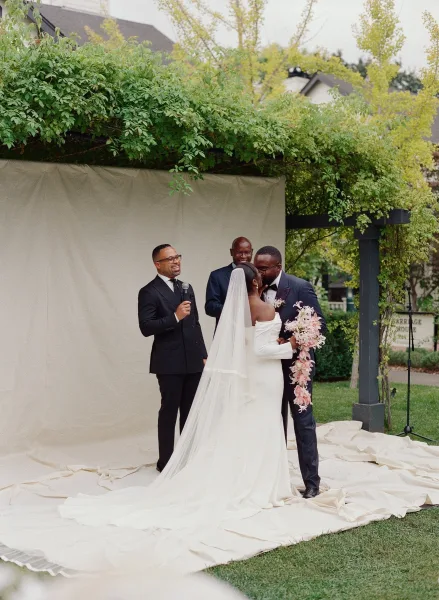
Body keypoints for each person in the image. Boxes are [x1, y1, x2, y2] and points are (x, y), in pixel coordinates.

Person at [55, 265, 297, 566]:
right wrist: (291, 346)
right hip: (263, 375)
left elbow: (242, 345)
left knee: (249, 424)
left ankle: (245, 475)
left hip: (249, 375)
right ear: (257, 281)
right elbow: (262, 349)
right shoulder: (262, 307)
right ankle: (261, 483)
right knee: (263, 424)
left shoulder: (235, 310)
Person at [254, 246, 326, 499]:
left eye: (263, 268)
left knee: (303, 422)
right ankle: (276, 479)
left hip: (297, 367)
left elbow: (319, 325)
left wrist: (291, 340)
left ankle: (312, 482)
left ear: (277, 266)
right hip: (267, 368)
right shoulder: (254, 289)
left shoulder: (300, 287)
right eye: (257, 267)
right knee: (272, 422)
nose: (259, 272)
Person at [138, 244, 207, 472]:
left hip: (193, 361)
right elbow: (146, 327)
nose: (176, 261)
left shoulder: (186, 287)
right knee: (169, 411)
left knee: (190, 412)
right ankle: (165, 463)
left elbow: (195, 323)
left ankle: (187, 459)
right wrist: (175, 317)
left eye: (177, 256)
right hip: (168, 363)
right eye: (170, 259)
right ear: (157, 264)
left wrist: (203, 355)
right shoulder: (148, 291)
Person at [205, 237, 253, 326]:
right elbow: (210, 307)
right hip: (226, 331)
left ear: (252, 252)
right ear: (232, 252)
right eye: (239, 252)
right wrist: (232, 310)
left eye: (247, 252)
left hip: (252, 330)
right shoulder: (217, 276)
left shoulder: (257, 275)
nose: (243, 256)